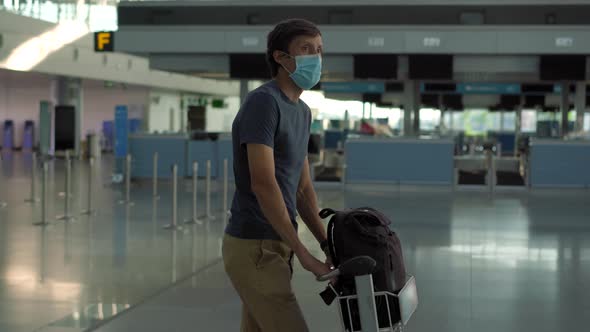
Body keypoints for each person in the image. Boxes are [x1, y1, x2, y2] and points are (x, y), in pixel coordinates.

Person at [222, 18, 331, 332]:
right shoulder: (263, 103)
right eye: (306, 49)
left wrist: (326, 243)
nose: (316, 57)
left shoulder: (302, 110)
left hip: (277, 244)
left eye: (320, 50)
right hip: (255, 245)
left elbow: (301, 186)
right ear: (281, 58)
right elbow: (263, 183)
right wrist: (303, 251)